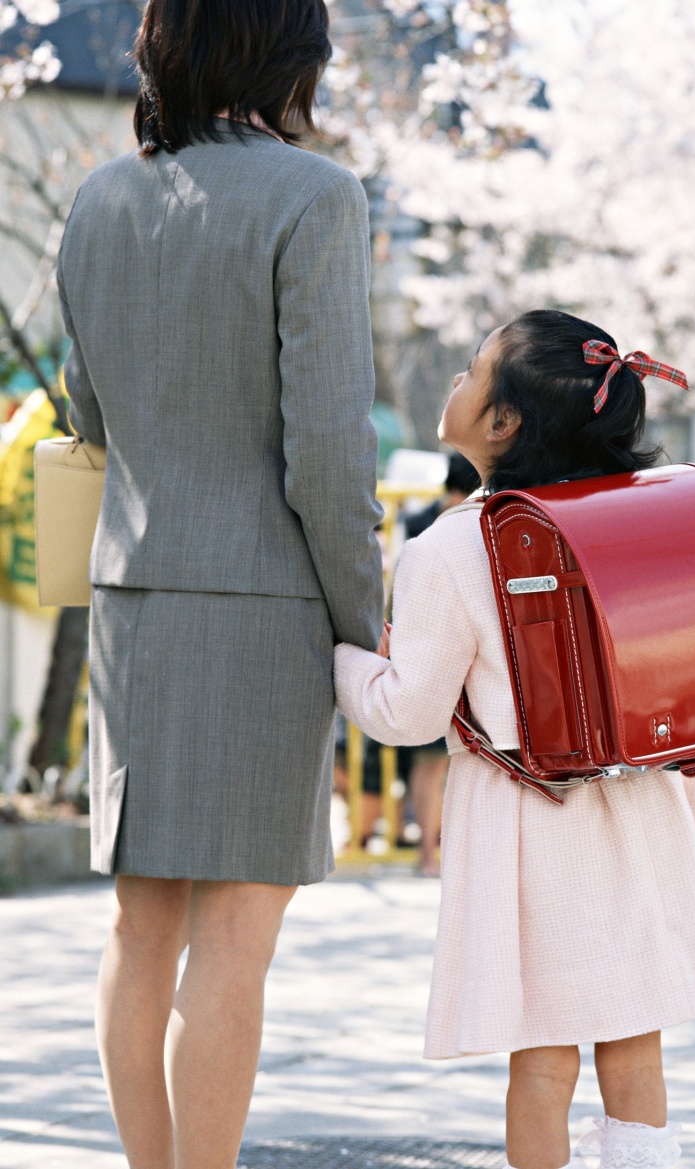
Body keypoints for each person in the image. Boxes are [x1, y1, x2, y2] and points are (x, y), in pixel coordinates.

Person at [57, 3, 385, 1168]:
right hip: (262, 614)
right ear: (289, 52)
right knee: (234, 938)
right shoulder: (316, 196)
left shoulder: (99, 199)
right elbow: (331, 457)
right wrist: (372, 630)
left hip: (130, 603)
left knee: (138, 926)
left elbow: (85, 419)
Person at [335, 311, 695, 1169]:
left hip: (530, 834)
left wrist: (341, 661)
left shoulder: (449, 547)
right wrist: (693, 824)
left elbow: (409, 711)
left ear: (504, 422)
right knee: (635, 1048)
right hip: (643, 818)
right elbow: (676, 687)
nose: (455, 380)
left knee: (544, 1059)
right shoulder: (645, 525)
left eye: (471, 371)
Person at [401, 453, 480, 875]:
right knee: (430, 762)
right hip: (429, 653)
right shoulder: (423, 529)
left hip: (463, 655)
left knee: (452, 762)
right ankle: (428, 854)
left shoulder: (433, 525)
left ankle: (442, 853)